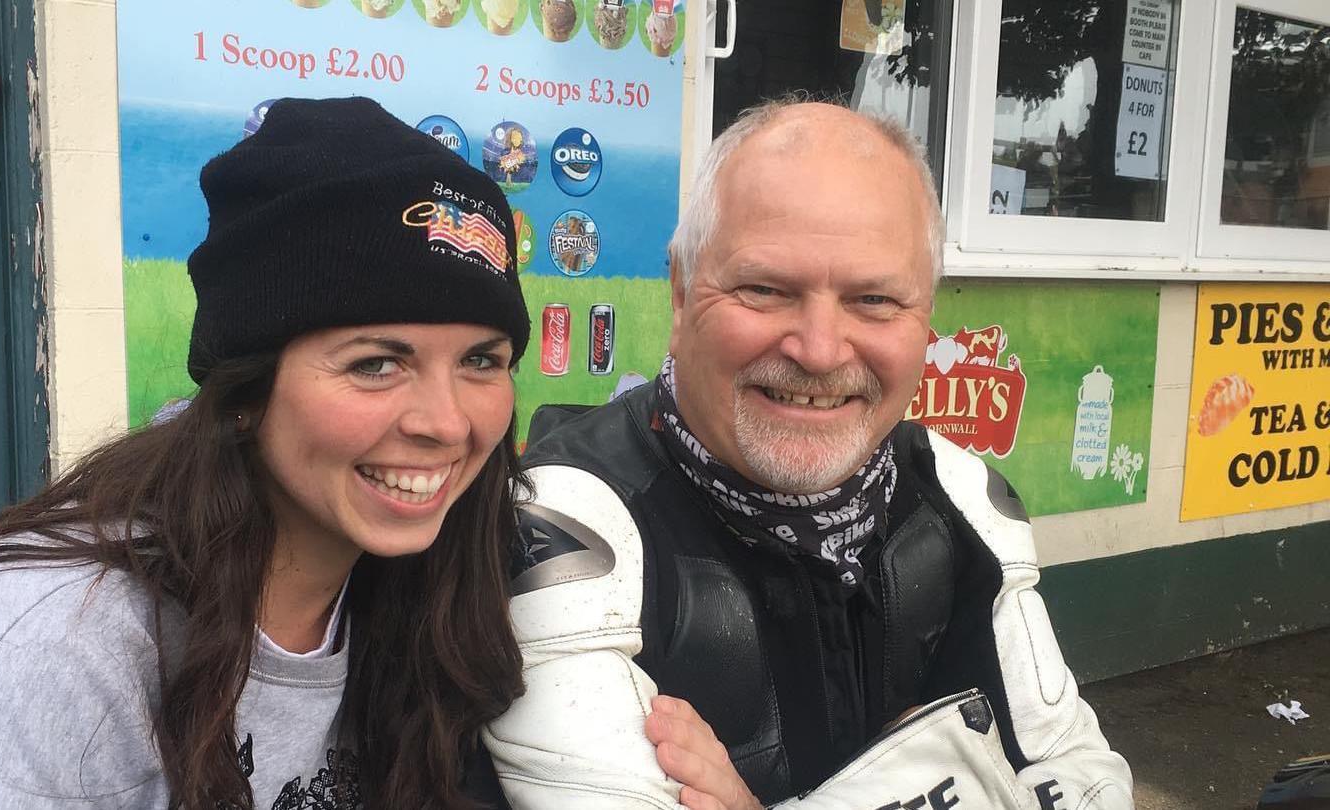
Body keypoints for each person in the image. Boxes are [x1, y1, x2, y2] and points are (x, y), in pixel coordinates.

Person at [484, 98, 1134, 809]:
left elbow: (1087, 782)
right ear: (678, 293)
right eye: (765, 289)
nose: (820, 351)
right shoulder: (561, 532)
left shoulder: (959, 498)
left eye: (875, 300)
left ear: (926, 315)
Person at [0, 97, 531, 810]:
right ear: (245, 390)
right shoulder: (48, 651)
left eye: (482, 359)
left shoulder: (442, 581)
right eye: (376, 364)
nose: (447, 424)